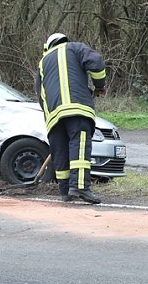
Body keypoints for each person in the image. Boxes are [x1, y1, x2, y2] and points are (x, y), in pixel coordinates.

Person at [35, 32, 106, 203]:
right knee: (79, 147)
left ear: (48, 46)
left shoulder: (42, 63)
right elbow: (96, 63)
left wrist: (50, 118)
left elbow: (40, 94)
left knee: (60, 151)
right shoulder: (75, 47)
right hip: (77, 109)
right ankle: (80, 187)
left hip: (53, 116)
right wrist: (99, 86)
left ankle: (65, 191)